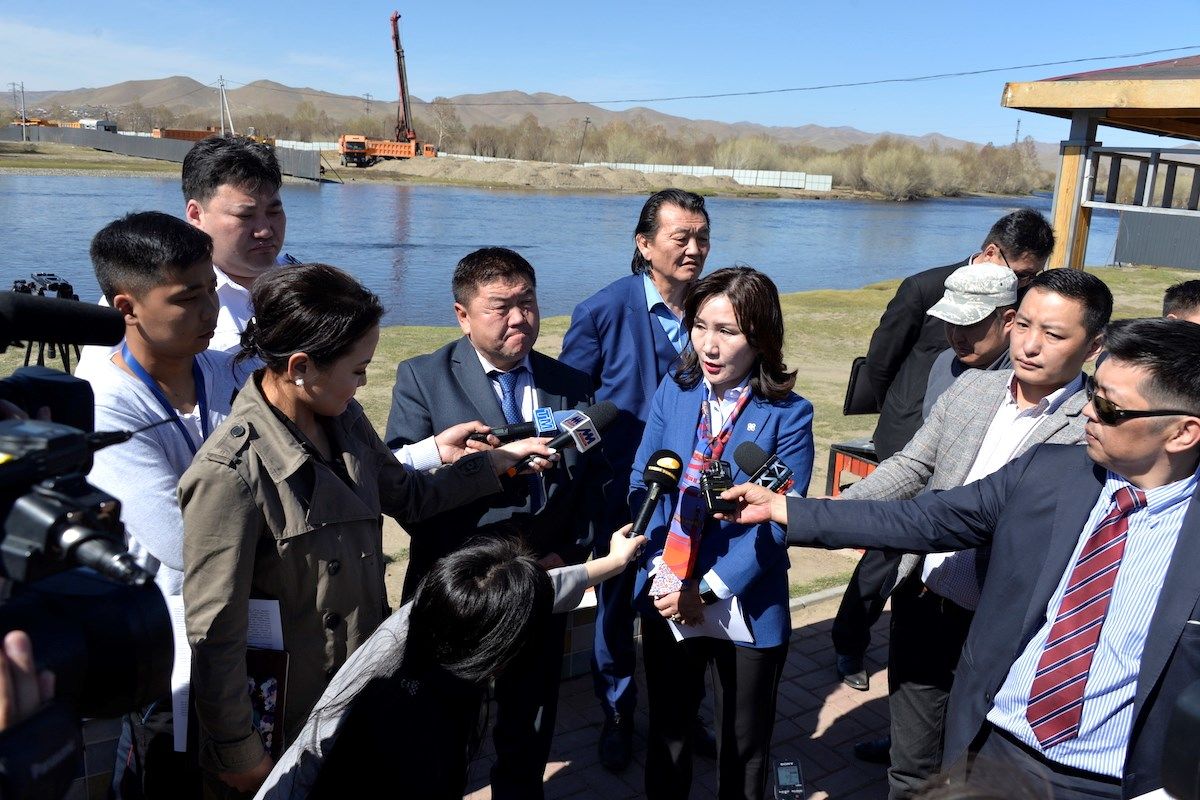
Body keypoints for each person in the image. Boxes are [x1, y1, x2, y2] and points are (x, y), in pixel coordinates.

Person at [723, 316, 1200, 799]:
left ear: (1182, 433)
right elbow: (925, 519)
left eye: (1110, 407)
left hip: (1115, 783)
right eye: (1094, 393)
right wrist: (787, 510)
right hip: (997, 753)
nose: (1090, 412)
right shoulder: (1049, 473)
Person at [181, 263, 553, 796]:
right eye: (357, 370)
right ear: (301, 367)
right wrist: (237, 749)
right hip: (286, 717)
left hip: (360, 684)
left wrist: (491, 465)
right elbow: (215, 631)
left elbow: (410, 496)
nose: (362, 384)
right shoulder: (229, 472)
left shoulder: (345, 419)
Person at [837, 267, 1111, 799]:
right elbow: (913, 466)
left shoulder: (1094, 430)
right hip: (924, 600)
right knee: (910, 767)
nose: (1030, 345)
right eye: (1023, 325)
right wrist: (837, 512)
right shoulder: (971, 390)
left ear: (1094, 345)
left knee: (975, 770)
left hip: (1006, 628)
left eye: (1053, 334)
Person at [383, 246, 600, 799]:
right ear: (462, 315)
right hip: (458, 588)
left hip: (540, 580)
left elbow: (588, 486)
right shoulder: (422, 378)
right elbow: (405, 494)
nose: (519, 319)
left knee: (529, 723)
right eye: (500, 307)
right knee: (443, 729)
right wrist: (485, 471)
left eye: (527, 303)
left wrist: (569, 555)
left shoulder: (571, 384)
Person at [833, 208, 1055, 693]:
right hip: (909, 441)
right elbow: (881, 364)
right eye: (1021, 274)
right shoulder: (924, 287)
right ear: (993, 253)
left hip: (972, 459)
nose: (1025, 284)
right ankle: (849, 641)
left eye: (1031, 277)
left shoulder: (1020, 309)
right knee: (885, 552)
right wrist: (904, 426)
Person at [254, 528, 648, 800]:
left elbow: (537, 590)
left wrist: (613, 562)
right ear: (494, 649)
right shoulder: (411, 734)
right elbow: (305, 759)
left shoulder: (434, 613)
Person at [632, 266, 814, 800]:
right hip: (668, 592)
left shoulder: (789, 415)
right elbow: (643, 480)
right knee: (669, 734)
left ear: (761, 338)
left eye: (728, 331)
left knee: (743, 746)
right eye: (700, 326)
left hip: (745, 604)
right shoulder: (676, 388)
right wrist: (663, 574)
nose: (709, 346)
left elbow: (778, 523)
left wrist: (707, 590)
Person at [82, 211, 244, 798]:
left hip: (240, 629)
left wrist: (424, 455)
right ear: (126, 307)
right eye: (185, 299)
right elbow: (183, 543)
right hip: (166, 650)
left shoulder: (228, 373)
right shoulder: (106, 406)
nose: (210, 312)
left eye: (211, 290)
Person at [559, 188, 712, 770]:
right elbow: (572, 408)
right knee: (617, 607)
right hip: (619, 495)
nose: (694, 249)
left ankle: (684, 713)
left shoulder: (715, 308)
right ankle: (618, 713)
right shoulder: (601, 310)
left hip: (696, 492)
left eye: (702, 237)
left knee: (686, 599)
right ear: (645, 245)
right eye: (681, 237)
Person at [76, 136, 292, 380]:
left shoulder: (306, 285)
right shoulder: (144, 297)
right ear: (196, 214)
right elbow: (96, 389)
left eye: (274, 211)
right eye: (245, 216)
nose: (265, 230)